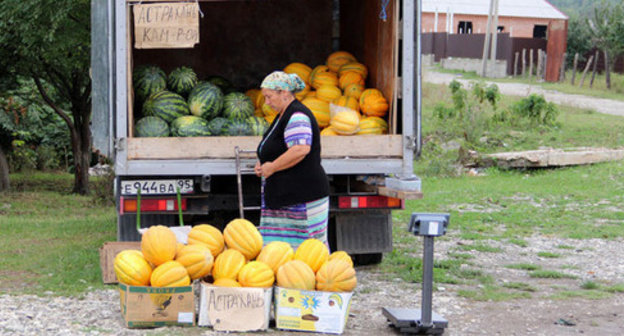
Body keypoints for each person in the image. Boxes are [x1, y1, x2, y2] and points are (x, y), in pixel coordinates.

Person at [255, 71, 330, 249]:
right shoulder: (283, 114)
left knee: (307, 253)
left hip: (302, 198)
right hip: (287, 197)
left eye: (269, 96)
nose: (266, 102)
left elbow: (300, 149)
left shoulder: (297, 116)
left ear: (284, 93)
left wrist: (272, 167)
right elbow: (276, 146)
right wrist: (262, 161)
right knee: (282, 252)